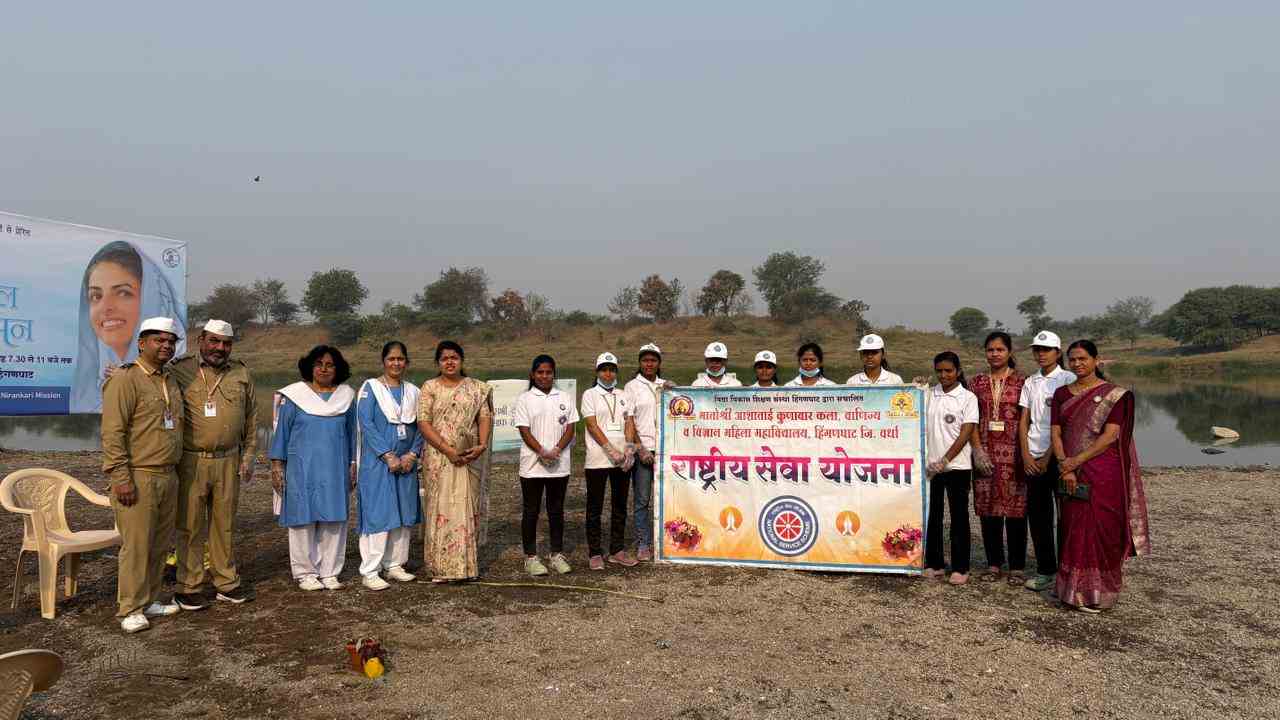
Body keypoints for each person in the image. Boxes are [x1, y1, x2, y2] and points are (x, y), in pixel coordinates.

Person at [1051, 340, 1151, 613]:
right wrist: (1066, 466)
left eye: (1083, 358)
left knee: (1102, 526)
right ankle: (1072, 591)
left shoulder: (1115, 395)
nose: (1077, 364)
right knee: (1073, 526)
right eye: (1072, 359)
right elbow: (1056, 433)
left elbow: (1110, 436)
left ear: (1096, 360)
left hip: (1104, 471)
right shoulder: (1061, 394)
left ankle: (1099, 593)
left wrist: (1075, 462)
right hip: (1070, 468)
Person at [100, 317, 184, 633]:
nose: (165, 346)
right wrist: (121, 476)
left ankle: (150, 599)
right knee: (136, 545)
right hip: (138, 475)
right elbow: (112, 432)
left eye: (170, 341)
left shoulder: (170, 379)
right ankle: (130, 608)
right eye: (158, 340)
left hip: (168, 475)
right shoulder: (125, 379)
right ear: (142, 343)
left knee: (160, 544)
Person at [168, 320, 257, 610]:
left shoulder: (241, 372)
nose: (220, 348)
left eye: (226, 343)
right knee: (190, 525)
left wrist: (248, 456)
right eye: (214, 341)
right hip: (192, 460)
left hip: (229, 460)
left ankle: (226, 582)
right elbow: (147, 380)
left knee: (224, 525)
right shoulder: (179, 369)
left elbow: (252, 418)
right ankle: (189, 586)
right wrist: (118, 373)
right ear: (200, 341)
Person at [269, 346, 357, 592]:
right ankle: (305, 572)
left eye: (330, 364)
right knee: (302, 519)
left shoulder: (347, 397)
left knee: (334, 519)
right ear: (310, 367)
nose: (324, 369)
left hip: (335, 467)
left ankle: (330, 572)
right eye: (319, 364)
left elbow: (353, 435)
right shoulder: (294, 397)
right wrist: (277, 465)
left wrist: (353, 464)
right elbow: (281, 434)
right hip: (301, 468)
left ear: (338, 368)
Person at [74, 241, 186, 413]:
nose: (106, 307)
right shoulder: (89, 387)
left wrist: (128, 379)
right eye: (96, 296)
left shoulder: (181, 371)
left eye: (123, 293)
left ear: (151, 298)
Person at [416, 340, 493, 583]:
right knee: (439, 507)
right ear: (438, 363)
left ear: (462, 360)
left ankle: (465, 567)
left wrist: (481, 445)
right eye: (444, 358)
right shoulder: (429, 387)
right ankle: (440, 569)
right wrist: (447, 450)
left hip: (469, 456)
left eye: (454, 357)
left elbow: (484, 417)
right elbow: (423, 422)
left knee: (466, 506)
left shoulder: (477, 388)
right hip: (439, 457)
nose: (449, 362)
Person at [355, 342, 424, 591]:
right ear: (383, 361)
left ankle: (395, 564)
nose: (396, 363)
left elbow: (421, 427)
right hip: (378, 464)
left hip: (406, 463)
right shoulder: (370, 388)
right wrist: (387, 455)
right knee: (378, 513)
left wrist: (412, 455)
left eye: (401, 359)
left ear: (407, 362)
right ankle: (370, 569)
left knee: (404, 513)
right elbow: (366, 423)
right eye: (392, 359)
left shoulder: (414, 391)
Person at [1017, 330, 1075, 592]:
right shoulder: (1031, 381)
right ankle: (1045, 570)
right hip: (1033, 454)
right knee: (1039, 517)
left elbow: (1067, 424)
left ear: (1058, 352)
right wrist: (1027, 454)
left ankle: (1068, 569)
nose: (1041, 354)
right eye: (1037, 349)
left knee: (1066, 515)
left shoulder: (1068, 379)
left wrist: (1050, 456)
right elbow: (1023, 420)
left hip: (1060, 457)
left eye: (1046, 349)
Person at [968, 331, 1028, 585]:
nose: (995, 354)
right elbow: (968, 419)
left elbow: (1028, 419)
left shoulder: (1023, 383)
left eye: (1000, 350)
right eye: (990, 350)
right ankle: (994, 563)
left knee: (1016, 512)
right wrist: (977, 450)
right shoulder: (976, 383)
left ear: (1010, 352)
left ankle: (1016, 566)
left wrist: (1026, 453)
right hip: (984, 453)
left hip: (1015, 455)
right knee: (988, 509)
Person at [514, 354, 578, 576]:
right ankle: (531, 557)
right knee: (531, 510)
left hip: (559, 464)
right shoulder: (525, 399)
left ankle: (556, 554)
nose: (544, 376)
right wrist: (541, 451)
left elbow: (571, 427)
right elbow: (524, 430)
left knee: (556, 510)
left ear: (554, 374)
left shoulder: (565, 397)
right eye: (540, 372)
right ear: (533, 374)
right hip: (533, 465)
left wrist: (557, 450)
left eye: (548, 372)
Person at [923, 351, 978, 585]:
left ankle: (960, 567)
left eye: (948, 371)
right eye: (940, 371)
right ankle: (934, 563)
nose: (944, 375)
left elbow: (966, 432)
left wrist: (945, 459)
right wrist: (931, 461)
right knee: (932, 516)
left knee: (958, 516)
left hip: (957, 466)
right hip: (930, 467)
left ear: (958, 371)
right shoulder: (928, 394)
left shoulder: (967, 398)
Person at [580, 352, 637, 570]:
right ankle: (595, 552)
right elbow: (592, 426)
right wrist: (610, 450)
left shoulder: (624, 394)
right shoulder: (589, 394)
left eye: (612, 369)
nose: (608, 373)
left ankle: (617, 550)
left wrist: (629, 450)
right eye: (604, 369)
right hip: (598, 459)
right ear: (597, 372)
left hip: (623, 460)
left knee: (620, 505)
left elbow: (629, 422)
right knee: (595, 506)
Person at [624, 343, 669, 561]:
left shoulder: (665, 385)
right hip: (645, 449)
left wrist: (675, 391)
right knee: (642, 499)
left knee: (668, 497)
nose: (649, 364)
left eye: (653, 360)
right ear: (640, 363)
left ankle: (668, 540)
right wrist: (639, 448)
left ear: (659, 363)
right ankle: (643, 542)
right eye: (645, 360)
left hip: (666, 449)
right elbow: (630, 420)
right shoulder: (632, 386)